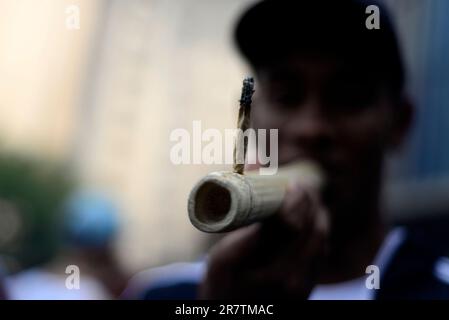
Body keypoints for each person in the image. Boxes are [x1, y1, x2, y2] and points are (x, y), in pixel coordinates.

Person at [131, 0, 449, 299]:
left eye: (349, 98)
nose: (310, 129)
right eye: (286, 97)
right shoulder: (164, 293)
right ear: (251, 118)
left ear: (400, 123)